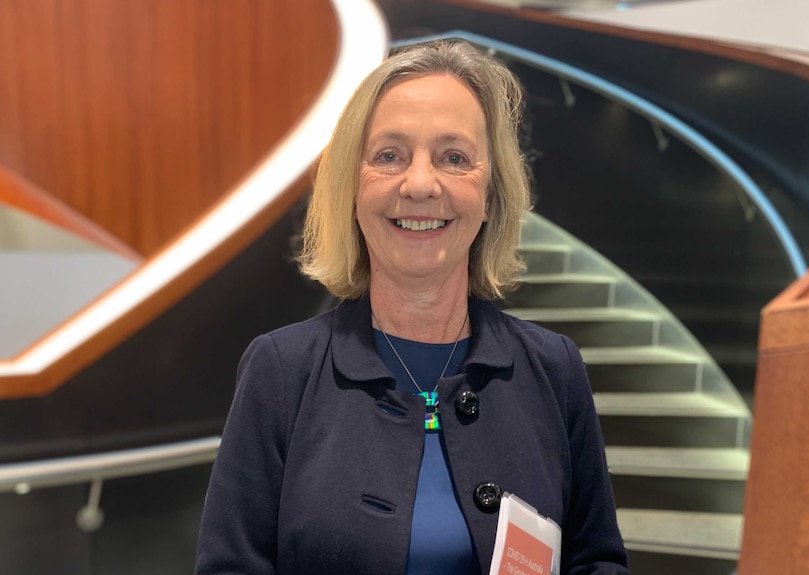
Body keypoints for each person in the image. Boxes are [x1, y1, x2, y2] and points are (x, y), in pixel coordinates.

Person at [195, 39, 629, 575]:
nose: (420, 184)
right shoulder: (281, 372)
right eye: (389, 156)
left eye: (453, 157)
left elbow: (597, 562)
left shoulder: (553, 369)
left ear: (490, 195)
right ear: (353, 188)